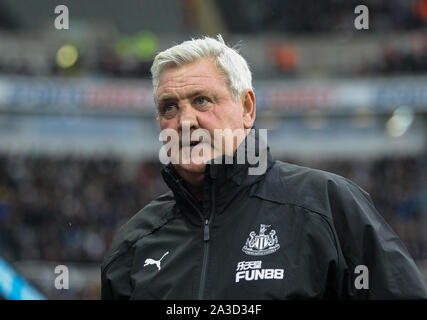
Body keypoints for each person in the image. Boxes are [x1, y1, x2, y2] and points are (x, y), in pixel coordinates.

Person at [101, 35, 427, 299]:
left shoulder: (328, 207)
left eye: (201, 100)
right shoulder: (132, 245)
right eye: (169, 107)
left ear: (246, 108)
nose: (185, 121)